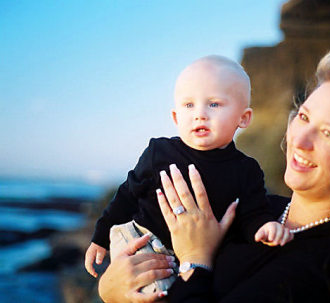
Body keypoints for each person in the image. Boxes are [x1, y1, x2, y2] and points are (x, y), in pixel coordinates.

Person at [98, 51, 330, 302]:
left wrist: (195, 260)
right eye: (305, 117)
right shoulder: (257, 209)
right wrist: (109, 287)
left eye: (329, 134)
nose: (301, 141)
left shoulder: (327, 265)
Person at [85, 55, 292, 292]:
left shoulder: (246, 170)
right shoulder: (159, 152)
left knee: (192, 289)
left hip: (195, 257)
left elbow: (252, 213)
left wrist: (264, 227)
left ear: (243, 118)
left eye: (214, 104)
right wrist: (100, 237)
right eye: (189, 105)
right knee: (154, 291)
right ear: (175, 117)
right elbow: (128, 194)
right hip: (142, 239)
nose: (200, 114)